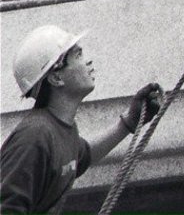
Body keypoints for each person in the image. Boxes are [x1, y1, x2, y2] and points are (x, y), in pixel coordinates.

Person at [1, 27, 162, 214]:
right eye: (78, 55)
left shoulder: (58, 129)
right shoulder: (35, 136)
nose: (88, 60)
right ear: (56, 77)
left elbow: (83, 156)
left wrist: (129, 121)